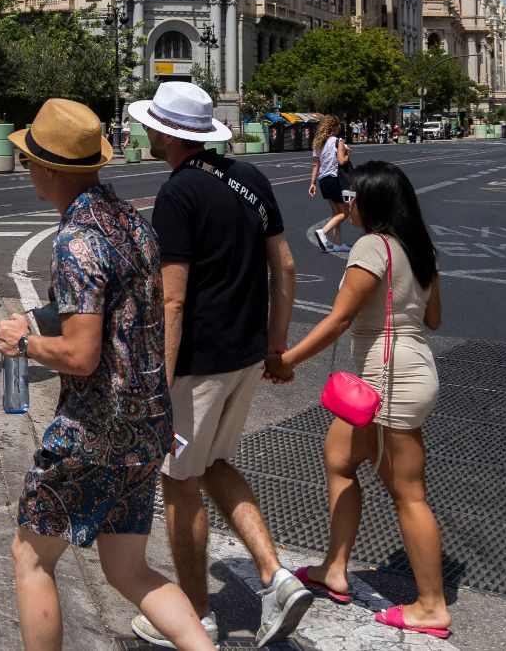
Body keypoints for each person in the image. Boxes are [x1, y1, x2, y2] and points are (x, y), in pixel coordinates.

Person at [0, 98, 213, 651]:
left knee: (31, 557)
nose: (27, 172)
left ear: (48, 169)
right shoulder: (128, 222)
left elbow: (82, 354)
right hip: (147, 425)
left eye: (28, 163)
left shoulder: (76, 240)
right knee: (128, 571)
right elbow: (126, 310)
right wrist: (49, 320)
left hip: (96, 430)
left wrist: (25, 341)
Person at [126, 82, 312, 648]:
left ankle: (197, 617)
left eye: (151, 125)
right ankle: (276, 577)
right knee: (214, 463)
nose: (146, 132)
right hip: (245, 356)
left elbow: (173, 299)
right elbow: (285, 266)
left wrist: (159, 380)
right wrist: (275, 343)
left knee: (178, 481)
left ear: (167, 133)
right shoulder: (249, 179)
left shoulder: (177, 195)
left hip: (198, 366)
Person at [267, 161, 450, 639]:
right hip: (408, 368)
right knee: (339, 458)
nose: (347, 203)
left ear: (371, 202)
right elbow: (432, 319)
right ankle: (334, 567)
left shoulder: (372, 246)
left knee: (408, 493)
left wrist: (287, 359)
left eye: (353, 196)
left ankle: (431, 606)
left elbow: (339, 319)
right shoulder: (420, 249)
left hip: (389, 378)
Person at [307, 115, 353, 253]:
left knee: (335, 213)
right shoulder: (338, 141)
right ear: (333, 127)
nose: (339, 128)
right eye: (338, 126)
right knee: (345, 212)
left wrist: (312, 183)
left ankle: (338, 243)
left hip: (323, 180)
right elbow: (341, 161)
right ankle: (323, 232)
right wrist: (347, 154)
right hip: (334, 179)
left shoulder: (318, 143)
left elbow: (316, 165)